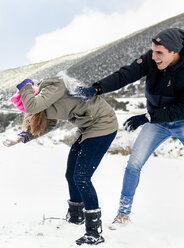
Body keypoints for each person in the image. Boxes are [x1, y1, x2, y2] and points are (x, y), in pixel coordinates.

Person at [70, 27, 184, 230]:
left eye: (160, 53)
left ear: (175, 52)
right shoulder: (151, 59)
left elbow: (181, 108)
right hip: (156, 121)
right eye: (153, 51)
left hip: (179, 119)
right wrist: (96, 88)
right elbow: (125, 75)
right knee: (133, 165)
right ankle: (123, 213)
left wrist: (147, 116)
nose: (154, 56)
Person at [4, 77, 118, 245]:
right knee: (71, 174)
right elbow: (47, 124)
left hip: (103, 124)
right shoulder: (43, 102)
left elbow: (32, 105)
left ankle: (94, 232)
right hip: (86, 127)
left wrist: (24, 86)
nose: (28, 111)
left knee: (82, 177)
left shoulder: (54, 85)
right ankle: (76, 217)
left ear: (32, 93)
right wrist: (23, 137)